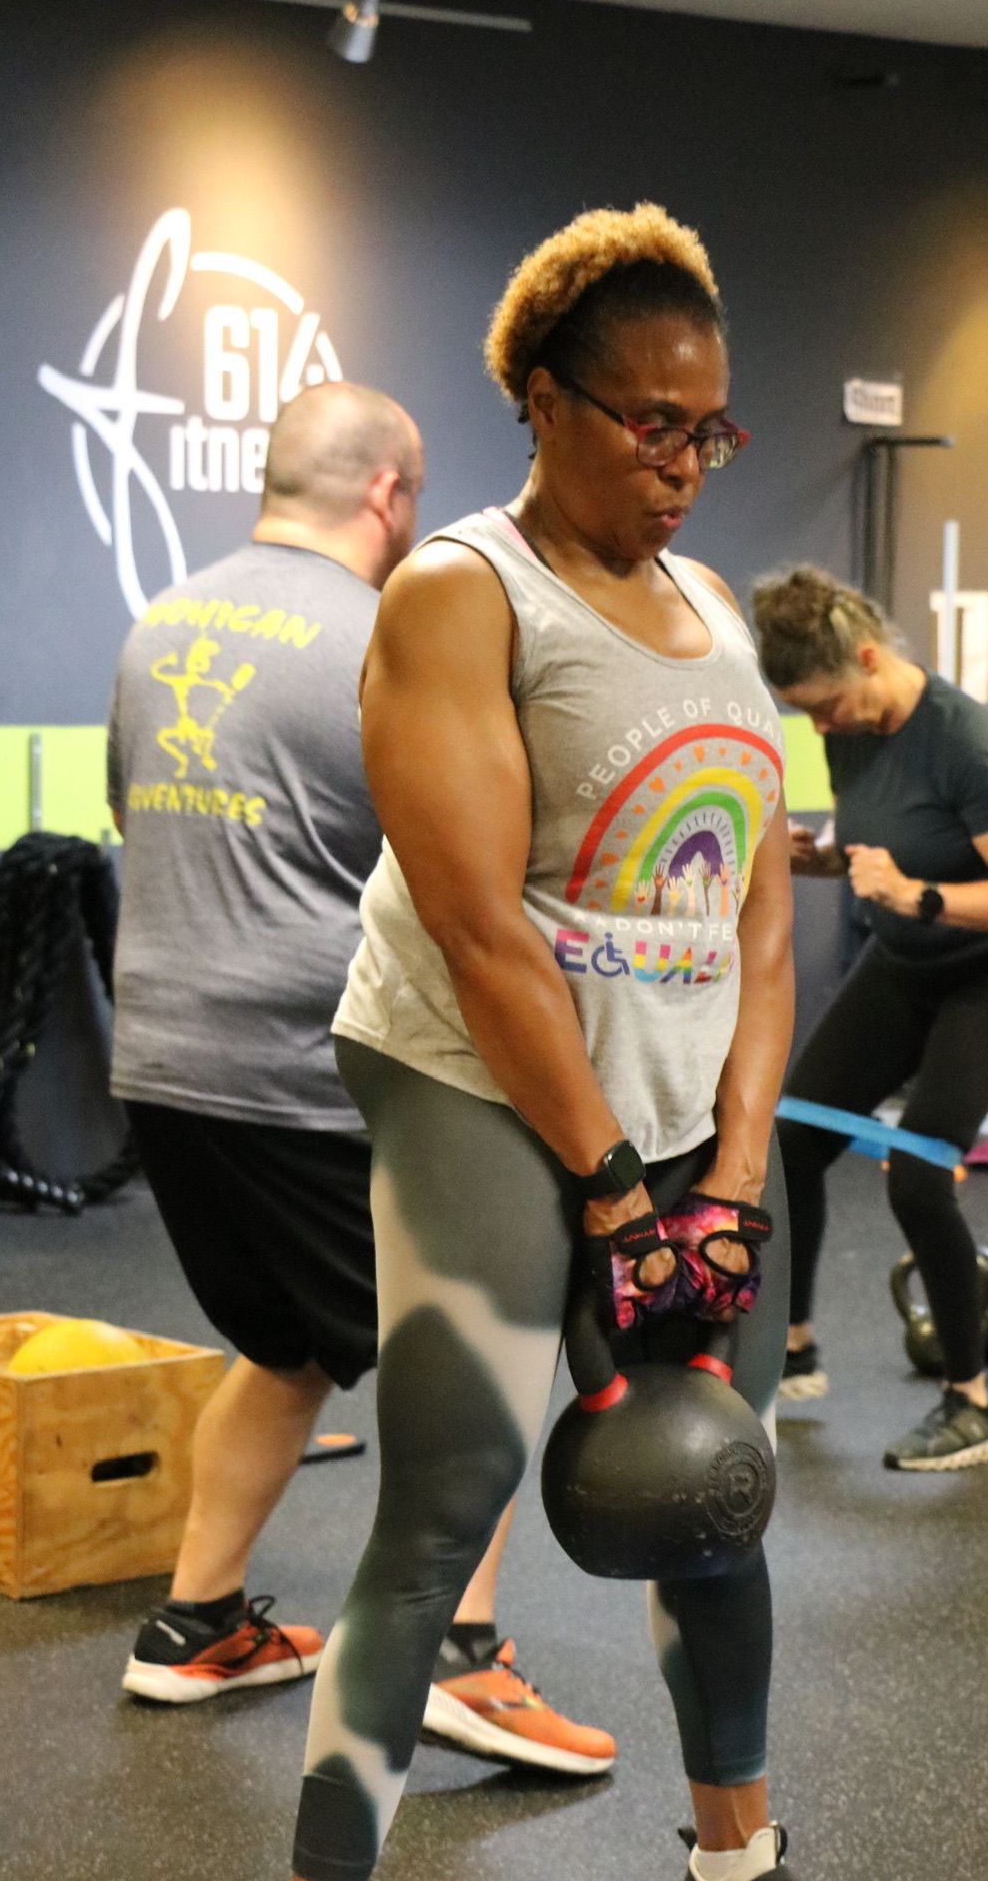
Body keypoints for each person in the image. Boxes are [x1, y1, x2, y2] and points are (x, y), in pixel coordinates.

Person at [236, 205, 925, 1881]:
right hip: (479, 1081)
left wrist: (721, 1161)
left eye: (713, 431)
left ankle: (736, 1878)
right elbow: (475, 927)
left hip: (665, 1122)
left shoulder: (719, 627)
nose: (686, 464)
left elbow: (764, 938)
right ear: (543, 401)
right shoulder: (461, 599)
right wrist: (616, 1186)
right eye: (649, 425)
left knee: (708, 1488)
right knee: (443, 1502)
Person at [107, 380, 613, 1779]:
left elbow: (128, 824)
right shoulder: (386, 635)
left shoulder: (163, 622)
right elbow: (465, 878)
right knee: (493, 1340)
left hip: (160, 1055)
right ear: (393, 496)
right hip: (310, 1066)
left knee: (290, 1344)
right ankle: (462, 1655)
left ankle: (195, 1625)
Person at [753, 569, 988, 1471]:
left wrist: (916, 894)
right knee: (793, 1136)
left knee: (918, 1174)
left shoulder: (970, 744)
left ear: (867, 657)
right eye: (802, 713)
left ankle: (972, 1406)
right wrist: (815, 859)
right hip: (904, 961)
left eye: (824, 704)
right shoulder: (850, 733)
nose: (819, 727)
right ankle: (795, 1348)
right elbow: (876, 850)